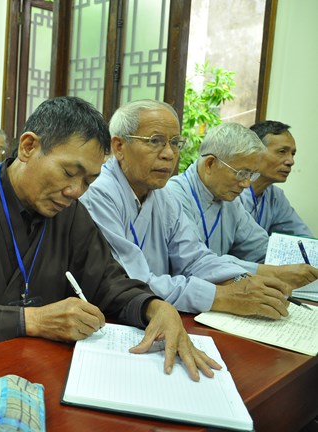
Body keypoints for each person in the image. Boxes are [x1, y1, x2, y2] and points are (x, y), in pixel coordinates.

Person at [0, 96, 221, 382]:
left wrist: (155, 307)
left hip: (43, 371)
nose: (75, 191)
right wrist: (31, 320)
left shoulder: (71, 214)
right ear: (29, 147)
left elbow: (107, 281)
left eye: (88, 181)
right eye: (69, 172)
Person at [80, 100, 292, 317]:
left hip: (164, 313)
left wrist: (241, 279)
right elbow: (131, 281)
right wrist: (220, 297)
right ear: (119, 147)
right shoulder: (98, 193)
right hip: (115, 317)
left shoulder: (162, 195)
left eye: (175, 142)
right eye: (155, 141)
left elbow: (194, 258)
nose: (169, 154)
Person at [166, 122, 318, 288]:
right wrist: (272, 272)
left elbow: (259, 247)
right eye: (241, 173)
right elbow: (195, 263)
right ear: (210, 164)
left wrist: (296, 266)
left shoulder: (230, 201)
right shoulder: (173, 196)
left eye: (251, 175)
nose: (246, 184)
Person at [239, 120, 313, 237]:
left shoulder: (275, 196)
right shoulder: (229, 192)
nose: (291, 161)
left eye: (293, 154)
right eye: (282, 152)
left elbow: (302, 237)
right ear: (254, 152)